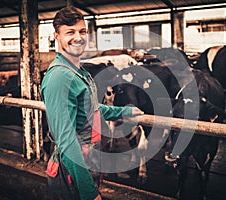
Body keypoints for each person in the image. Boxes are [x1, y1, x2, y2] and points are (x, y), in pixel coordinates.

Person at [41, 6, 144, 200]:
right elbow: (66, 140)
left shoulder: (78, 71)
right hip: (71, 170)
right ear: (56, 36)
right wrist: (89, 192)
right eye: (69, 32)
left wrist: (122, 112)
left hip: (86, 162)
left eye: (82, 31)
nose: (78, 37)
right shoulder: (60, 77)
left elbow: (90, 109)